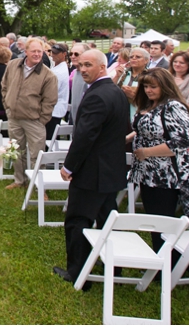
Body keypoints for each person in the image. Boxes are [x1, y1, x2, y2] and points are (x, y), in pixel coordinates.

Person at [53, 49, 130, 287]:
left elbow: (85, 137)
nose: (82, 69)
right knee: (107, 220)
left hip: (93, 172)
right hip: (111, 170)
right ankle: (112, 266)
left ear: (103, 67)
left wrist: (69, 166)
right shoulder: (116, 91)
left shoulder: (98, 95)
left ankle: (78, 273)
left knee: (77, 220)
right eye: (79, 65)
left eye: (88, 65)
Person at [128, 68, 189, 254]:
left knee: (163, 221)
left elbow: (181, 142)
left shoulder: (174, 107)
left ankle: (168, 262)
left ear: (165, 86)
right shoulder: (151, 104)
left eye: (153, 87)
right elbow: (148, 129)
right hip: (147, 172)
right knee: (154, 219)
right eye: (145, 86)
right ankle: (165, 257)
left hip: (166, 175)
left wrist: (147, 152)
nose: (148, 90)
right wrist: (128, 139)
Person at [1, 38, 58, 189]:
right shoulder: (13, 65)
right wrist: (7, 105)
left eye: (40, 51)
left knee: (36, 154)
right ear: (26, 52)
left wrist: (42, 120)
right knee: (16, 151)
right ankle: (19, 180)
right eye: (34, 51)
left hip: (34, 121)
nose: (37, 54)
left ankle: (39, 186)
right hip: (14, 116)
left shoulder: (48, 75)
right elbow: (4, 85)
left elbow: (50, 101)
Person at [115, 47, 149, 120]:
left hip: (139, 115)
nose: (134, 58)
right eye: (131, 57)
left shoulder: (149, 76)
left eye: (138, 57)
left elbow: (153, 100)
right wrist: (117, 76)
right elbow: (112, 89)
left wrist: (134, 96)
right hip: (121, 115)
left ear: (146, 60)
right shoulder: (124, 73)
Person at [48, 43, 71, 141]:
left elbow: (51, 91)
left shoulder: (59, 72)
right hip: (55, 108)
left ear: (64, 54)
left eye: (56, 53)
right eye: (52, 52)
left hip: (54, 109)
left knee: (49, 139)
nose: (53, 55)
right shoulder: (57, 67)